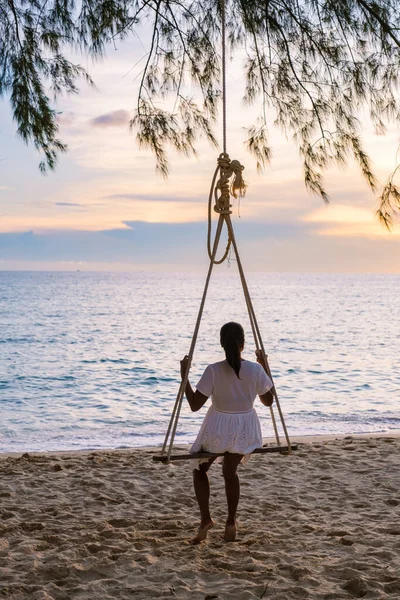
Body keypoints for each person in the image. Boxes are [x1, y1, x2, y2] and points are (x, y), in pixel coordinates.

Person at [180, 321, 274, 544]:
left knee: (199, 468)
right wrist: (264, 364)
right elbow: (268, 401)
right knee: (229, 472)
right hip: (245, 428)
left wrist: (184, 378)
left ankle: (205, 520)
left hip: (217, 428)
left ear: (221, 343)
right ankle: (231, 522)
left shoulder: (213, 370)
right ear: (243, 344)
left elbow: (194, 404)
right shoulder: (255, 369)